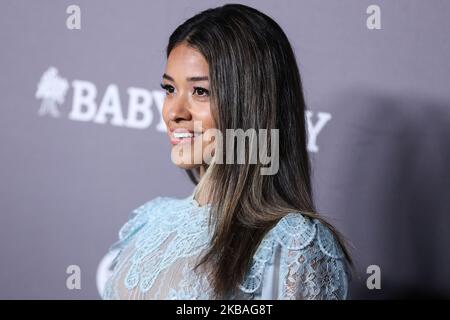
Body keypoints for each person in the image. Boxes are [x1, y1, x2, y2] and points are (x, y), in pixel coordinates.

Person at [102, 3, 351, 300]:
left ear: (251, 104)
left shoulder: (293, 243)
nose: (174, 112)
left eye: (200, 91)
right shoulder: (149, 219)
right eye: (170, 89)